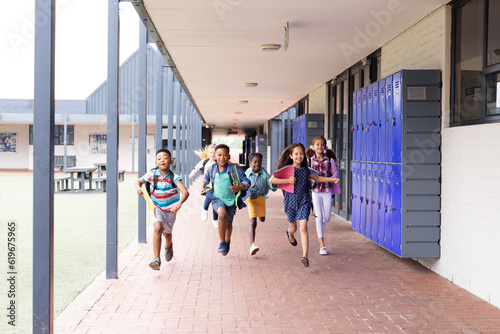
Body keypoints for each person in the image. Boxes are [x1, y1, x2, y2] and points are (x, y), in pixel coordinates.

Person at [269, 143, 339, 268]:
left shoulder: (306, 170)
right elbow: (272, 180)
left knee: (304, 227)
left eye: (301, 154)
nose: (299, 156)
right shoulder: (287, 169)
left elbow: (317, 179)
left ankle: (305, 256)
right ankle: (290, 233)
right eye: (296, 154)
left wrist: (332, 179)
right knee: (294, 229)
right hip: (290, 201)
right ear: (291, 155)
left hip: (304, 201)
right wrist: (287, 181)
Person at [135, 148, 189, 270]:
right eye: (159, 158)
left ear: (171, 161)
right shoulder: (151, 175)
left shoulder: (174, 177)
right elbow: (137, 181)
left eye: (165, 158)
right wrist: (138, 188)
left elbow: (185, 192)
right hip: (156, 207)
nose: (162, 160)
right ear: (156, 163)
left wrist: (179, 203)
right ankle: (156, 259)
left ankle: (168, 247)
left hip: (171, 210)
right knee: (158, 227)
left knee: (167, 234)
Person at [201, 144, 250, 256]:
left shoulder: (234, 169)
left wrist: (240, 187)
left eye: (224, 155)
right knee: (221, 215)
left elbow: (247, 182)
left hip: (232, 200)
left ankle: (227, 242)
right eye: (219, 155)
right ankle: (222, 242)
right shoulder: (212, 168)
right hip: (217, 198)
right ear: (215, 156)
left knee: (228, 223)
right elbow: (206, 178)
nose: (222, 157)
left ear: (229, 156)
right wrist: (203, 187)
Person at [305, 136, 341, 256]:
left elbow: (334, 175)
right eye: (317, 145)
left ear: (325, 147)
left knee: (326, 218)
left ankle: (320, 224)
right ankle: (322, 245)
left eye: (322, 145)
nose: (320, 147)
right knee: (319, 217)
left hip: (327, 191)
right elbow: (308, 176)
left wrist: (334, 180)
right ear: (313, 147)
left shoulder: (330, 160)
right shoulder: (309, 161)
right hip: (315, 191)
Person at [244, 152, 277, 256]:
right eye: (255, 162)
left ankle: (260, 216)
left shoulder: (264, 172)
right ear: (250, 163)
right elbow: (243, 185)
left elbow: (270, 183)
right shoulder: (247, 173)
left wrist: (274, 183)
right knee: (253, 221)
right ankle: (252, 245)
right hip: (252, 199)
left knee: (262, 219)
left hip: (261, 198)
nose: (257, 164)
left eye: (259, 162)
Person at [189, 144, 218, 228]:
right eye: (211, 152)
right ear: (208, 153)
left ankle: (215, 220)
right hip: (207, 185)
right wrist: (192, 174)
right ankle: (204, 210)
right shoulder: (205, 161)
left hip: (217, 187)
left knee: (216, 203)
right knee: (209, 197)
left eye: (214, 153)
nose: (212, 155)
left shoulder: (219, 163)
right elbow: (197, 167)